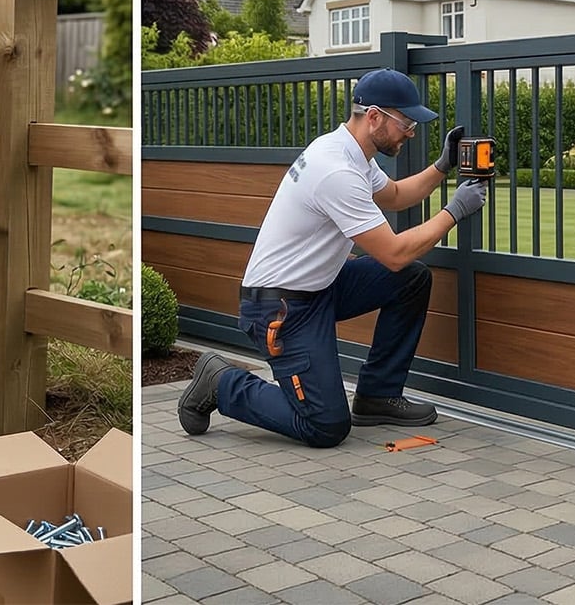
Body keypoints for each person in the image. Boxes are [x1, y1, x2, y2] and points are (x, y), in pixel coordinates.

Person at [178, 68, 487, 448]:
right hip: (281, 308)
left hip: (319, 288)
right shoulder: (335, 170)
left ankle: (377, 397)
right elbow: (392, 253)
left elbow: (392, 195)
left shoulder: (352, 153)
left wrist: (442, 166)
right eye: (406, 123)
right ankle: (221, 381)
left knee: (411, 278)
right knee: (325, 425)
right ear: (374, 117)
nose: (411, 132)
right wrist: (454, 211)